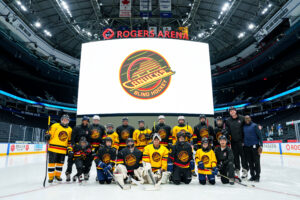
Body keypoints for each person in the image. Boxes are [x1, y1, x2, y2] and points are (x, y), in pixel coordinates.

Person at [44, 114, 72, 183]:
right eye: (64, 119)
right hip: (53, 149)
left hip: (62, 150)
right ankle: (51, 177)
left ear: (68, 121)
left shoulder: (70, 129)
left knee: (60, 164)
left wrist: (69, 149)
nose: (65, 121)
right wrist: (47, 135)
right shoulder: (55, 126)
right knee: (51, 164)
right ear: (61, 120)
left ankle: (57, 176)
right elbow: (49, 133)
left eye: (66, 120)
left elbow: (69, 141)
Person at [225, 107, 248, 178]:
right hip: (233, 142)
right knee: (235, 157)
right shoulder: (228, 120)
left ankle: (245, 170)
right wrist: (225, 132)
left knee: (243, 156)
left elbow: (248, 125)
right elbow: (227, 130)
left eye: (233, 111)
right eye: (230, 111)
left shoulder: (242, 118)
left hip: (242, 141)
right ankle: (237, 170)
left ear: (235, 111)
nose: (232, 112)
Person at [65, 116, 90, 181]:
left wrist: (88, 148)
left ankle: (81, 173)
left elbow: (89, 139)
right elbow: (72, 138)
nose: (85, 122)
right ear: (82, 121)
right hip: (75, 147)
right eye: (84, 120)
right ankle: (68, 173)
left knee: (83, 163)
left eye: (87, 121)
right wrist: (72, 147)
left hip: (84, 147)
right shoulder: (77, 128)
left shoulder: (88, 129)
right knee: (70, 161)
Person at [243, 115, 263, 182]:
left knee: (256, 162)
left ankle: (257, 176)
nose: (247, 120)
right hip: (247, 147)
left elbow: (260, 136)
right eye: (245, 119)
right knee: (250, 162)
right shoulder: (244, 127)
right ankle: (252, 176)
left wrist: (261, 146)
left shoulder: (255, 126)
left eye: (248, 118)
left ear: (250, 118)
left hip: (255, 147)